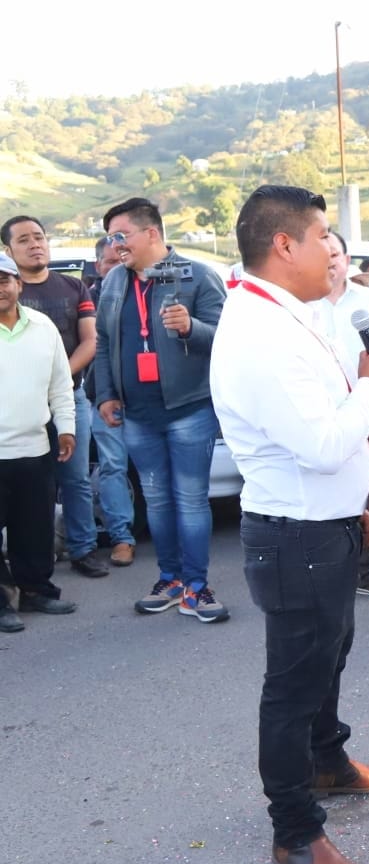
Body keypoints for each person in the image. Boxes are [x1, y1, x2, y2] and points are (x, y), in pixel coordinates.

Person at [211, 184, 369, 864]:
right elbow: (323, 443)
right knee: (292, 687)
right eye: (323, 234)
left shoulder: (287, 313)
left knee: (329, 656)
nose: (334, 248)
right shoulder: (259, 334)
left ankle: (330, 761)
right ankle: (295, 832)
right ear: (283, 245)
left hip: (324, 527)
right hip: (297, 536)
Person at [94, 197, 230, 623]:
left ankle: (197, 587)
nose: (116, 245)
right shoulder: (115, 282)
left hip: (190, 409)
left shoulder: (200, 276)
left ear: (152, 233)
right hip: (137, 414)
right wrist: (106, 394)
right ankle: (169, 580)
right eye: (111, 238)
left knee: (190, 501)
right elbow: (103, 343)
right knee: (156, 502)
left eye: (122, 235)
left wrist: (192, 327)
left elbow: (229, 340)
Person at [3, 215, 102, 578]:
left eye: (39, 237)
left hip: (69, 397)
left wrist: (57, 379)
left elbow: (90, 340)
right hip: (17, 408)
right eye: (24, 240)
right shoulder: (7, 290)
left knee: (74, 479)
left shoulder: (73, 288)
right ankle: (32, 559)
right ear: (9, 250)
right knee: (28, 488)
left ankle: (83, 549)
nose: (35, 245)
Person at [312, 229, 369, 601]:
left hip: (366, 404)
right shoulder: (303, 305)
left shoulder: (367, 300)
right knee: (324, 488)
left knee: (368, 489)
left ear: (348, 260)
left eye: (337, 254)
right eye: (324, 253)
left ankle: (368, 570)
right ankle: (325, 570)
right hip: (320, 407)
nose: (331, 260)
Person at [0, 253, 78, 632]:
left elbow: (61, 386)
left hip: (35, 446)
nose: (0, 287)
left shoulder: (43, 326)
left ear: (18, 284)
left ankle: (35, 590)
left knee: (34, 527)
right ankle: (1, 604)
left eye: (5, 279)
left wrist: (67, 429)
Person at [88, 235, 135, 567]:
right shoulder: (87, 302)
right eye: (110, 262)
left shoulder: (146, 294)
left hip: (148, 400)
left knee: (156, 473)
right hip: (105, 400)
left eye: (122, 260)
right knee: (113, 468)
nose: (117, 268)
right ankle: (122, 538)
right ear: (98, 267)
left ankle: (173, 538)